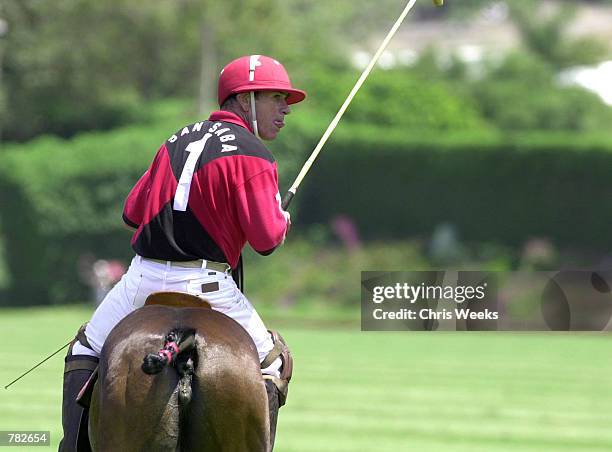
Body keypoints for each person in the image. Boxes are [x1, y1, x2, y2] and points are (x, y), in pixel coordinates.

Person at [59, 54, 306, 451]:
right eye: (276, 97)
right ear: (244, 100)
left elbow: (132, 211)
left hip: (142, 280)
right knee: (274, 362)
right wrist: (281, 217)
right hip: (211, 286)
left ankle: (71, 445)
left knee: (85, 349)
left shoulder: (176, 139)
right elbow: (267, 240)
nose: (285, 109)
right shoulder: (255, 155)